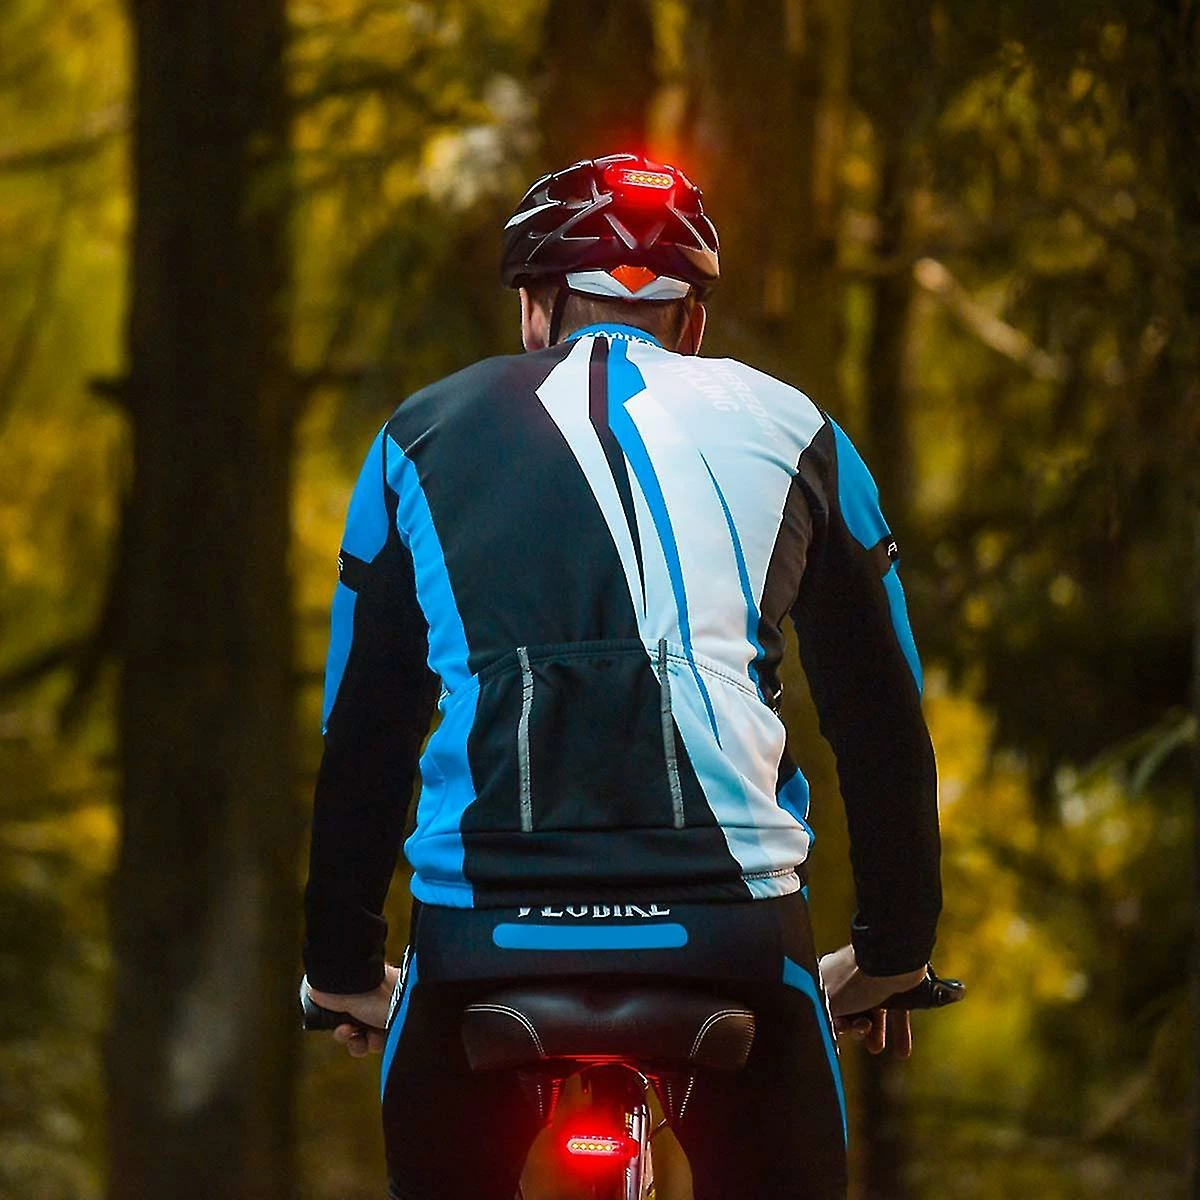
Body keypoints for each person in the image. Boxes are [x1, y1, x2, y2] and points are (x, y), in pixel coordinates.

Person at [302, 152, 942, 1200]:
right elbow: (881, 714)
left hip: (481, 930)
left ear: (534, 309)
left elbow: (364, 726)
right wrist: (893, 952)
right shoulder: (800, 430)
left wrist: (340, 968)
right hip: (731, 925)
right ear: (694, 323)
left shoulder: (414, 437)